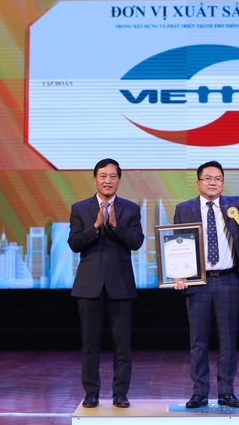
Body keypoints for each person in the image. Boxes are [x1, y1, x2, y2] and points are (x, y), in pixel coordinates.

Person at [173, 156, 239, 408]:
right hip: (198, 282)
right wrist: (178, 273)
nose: (213, 182)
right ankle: (199, 392)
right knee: (198, 341)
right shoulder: (184, 209)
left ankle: (226, 392)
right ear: (198, 183)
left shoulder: (233, 204)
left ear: (223, 183)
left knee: (228, 340)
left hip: (227, 280)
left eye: (218, 179)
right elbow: (176, 244)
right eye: (208, 178)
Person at [67, 158, 144, 409]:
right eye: (103, 176)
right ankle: (91, 393)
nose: (107, 180)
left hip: (120, 286)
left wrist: (115, 226)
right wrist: (96, 226)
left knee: (123, 345)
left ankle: (120, 393)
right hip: (89, 287)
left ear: (119, 180)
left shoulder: (130, 209)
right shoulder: (80, 208)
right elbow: (74, 243)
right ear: (94, 179)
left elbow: (136, 242)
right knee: (90, 345)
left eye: (112, 176)